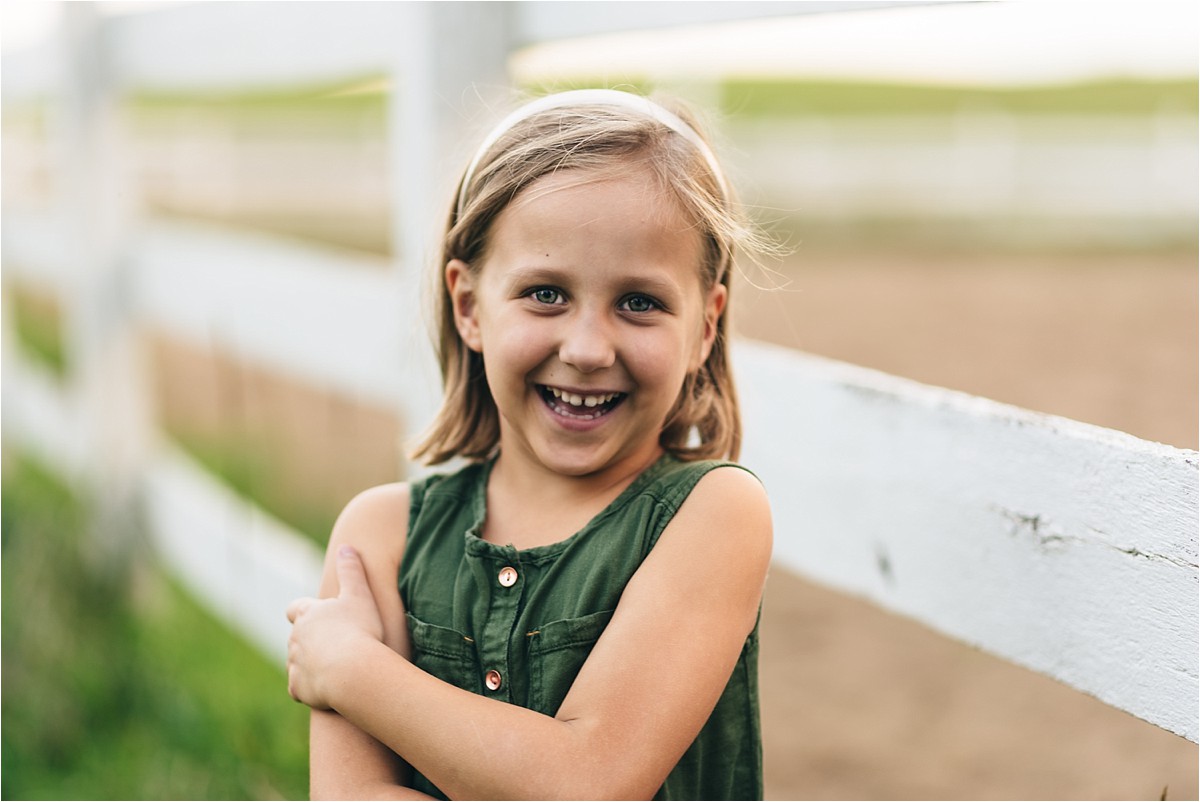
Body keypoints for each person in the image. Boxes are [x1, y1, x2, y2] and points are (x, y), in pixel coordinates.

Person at [285, 88, 774, 801]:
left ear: (704, 326)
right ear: (468, 305)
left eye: (639, 302)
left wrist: (354, 672)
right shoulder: (379, 540)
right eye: (546, 293)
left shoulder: (714, 516)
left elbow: (589, 782)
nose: (585, 348)